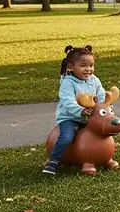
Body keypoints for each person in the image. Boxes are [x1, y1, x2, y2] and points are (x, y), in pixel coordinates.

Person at [43, 45, 106, 176]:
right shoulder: (68, 82)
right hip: (70, 117)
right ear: (71, 67)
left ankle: (103, 156)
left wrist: (102, 108)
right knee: (67, 137)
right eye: (83, 66)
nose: (88, 69)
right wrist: (80, 111)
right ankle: (54, 161)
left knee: (102, 131)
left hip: (89, 117)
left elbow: (101, 95)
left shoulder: (94, 80)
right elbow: (67, 101)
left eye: (91, 65)